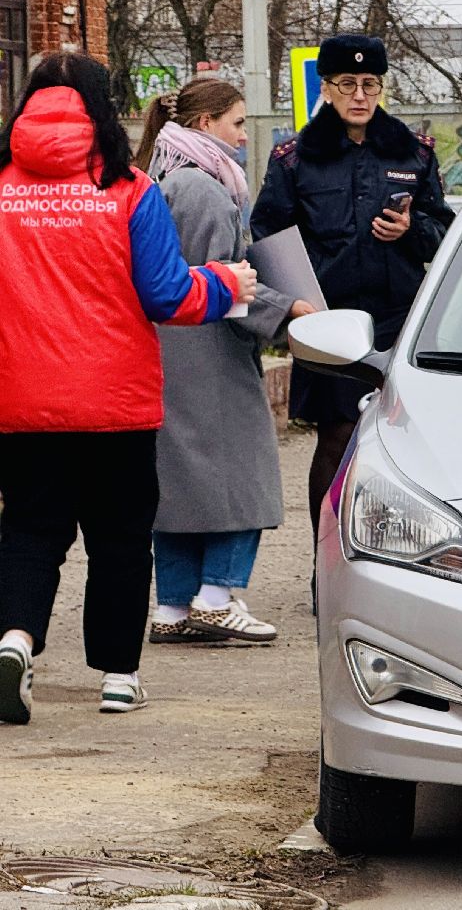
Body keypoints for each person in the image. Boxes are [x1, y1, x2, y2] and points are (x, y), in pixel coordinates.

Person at [0, 53, 256, 725]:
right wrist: (226, 282)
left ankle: (14, 641)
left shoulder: (1, 186)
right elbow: (167, 295)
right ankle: (119, 676)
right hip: (116, 402)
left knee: (29, 532)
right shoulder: (128, 188)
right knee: (118, 538)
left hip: (21, 401)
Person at [134, 79, 318, 645]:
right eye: (237, 122)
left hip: (172, 355)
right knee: (245, 479)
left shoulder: (166, 176)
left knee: (180, 489)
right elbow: (221, 281)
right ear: (205, 123)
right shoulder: (204, 188)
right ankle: (216, 598)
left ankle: (172, 609)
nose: (243, 136)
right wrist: (290, 308)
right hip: (209, 356)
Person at [250, 34, 453, 545]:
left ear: (381, 87)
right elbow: (268, 237)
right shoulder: (295, 159)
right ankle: (327, 559)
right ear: (326, 88)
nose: (359, 95)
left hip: (398, 320)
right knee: (338, 437)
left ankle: (401, 551)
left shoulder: (412, 152)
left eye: (369, 84)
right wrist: (295, 309)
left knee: (402, 438)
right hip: (329, 323)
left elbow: (445, 231)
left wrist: (412, 230)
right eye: (347, 84)